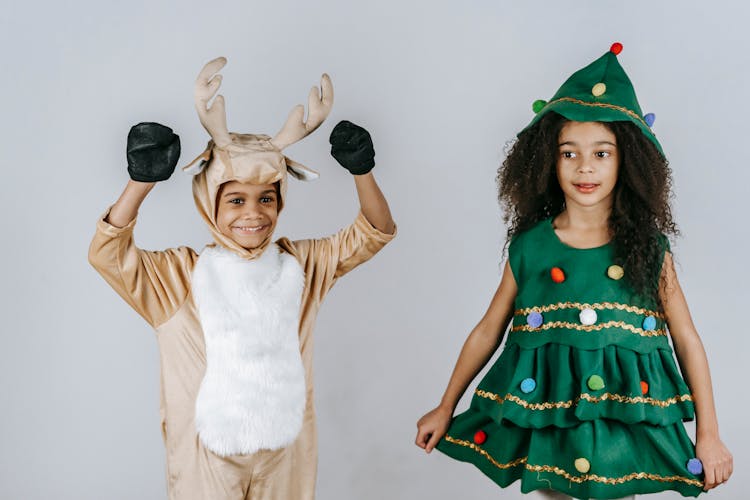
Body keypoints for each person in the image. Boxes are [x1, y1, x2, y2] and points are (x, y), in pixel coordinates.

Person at [415, 43, 732, 499]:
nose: (585, 167)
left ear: (628, 162)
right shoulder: (530, 248)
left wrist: (709, 433)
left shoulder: (650, 249)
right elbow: (489, 329)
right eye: (569, 153)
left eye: (602, 153)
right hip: (550, 414)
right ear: (549, 159)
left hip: (622, 415)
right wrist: (446, 406)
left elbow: (687, 339)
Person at [89, 57, 395, 500]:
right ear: (209, 201)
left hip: (286, 453)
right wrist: (141, 183)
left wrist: (362, 170)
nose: (253, 214)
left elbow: (375, 231)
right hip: (204, 457)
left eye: (266, 198)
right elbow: (107, 253)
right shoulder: (177, 277)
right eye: (235, 199)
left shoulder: (302, 266)